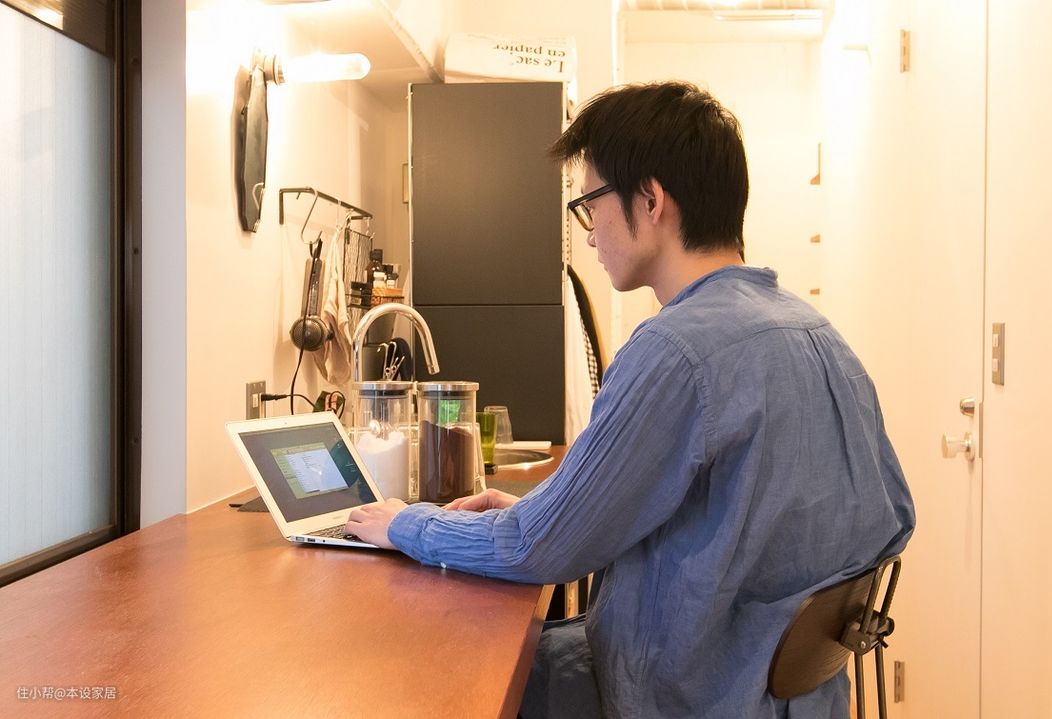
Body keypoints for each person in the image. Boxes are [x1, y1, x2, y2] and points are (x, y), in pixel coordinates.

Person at [345, 81, 915, 718]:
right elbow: (888, 517)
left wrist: (404, 523)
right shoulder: (820, 336)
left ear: (649, 199)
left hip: (687, 693)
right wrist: (561, 510)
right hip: (793, 697)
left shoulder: (676, 351)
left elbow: (538, 549)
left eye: (591, 204)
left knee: (427, 667)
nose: (590, 236)